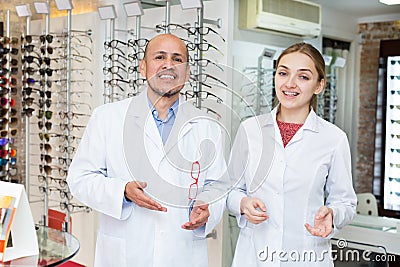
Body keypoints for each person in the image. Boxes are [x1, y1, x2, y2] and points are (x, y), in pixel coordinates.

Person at [67, 34, 227, 267]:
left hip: (182, 253)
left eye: (177, 59)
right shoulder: (108, 117)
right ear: (143, 67)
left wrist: (208, 209)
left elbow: (219, 187)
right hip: (126, 254)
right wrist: (122, 191)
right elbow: (79, 179)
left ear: (188, 72)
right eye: (159, 57)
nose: (168, 65)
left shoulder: (207, 126)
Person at [227, 42, 357, 266]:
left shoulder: (333, 138)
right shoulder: (250, 130)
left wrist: (333, 214)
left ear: (319, 85)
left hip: (306, 256)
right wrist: (242, 202)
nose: (290, 83)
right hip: (254, 254)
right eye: (283, 73)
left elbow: (346, 202)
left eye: (303, 77)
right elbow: (229, 189)